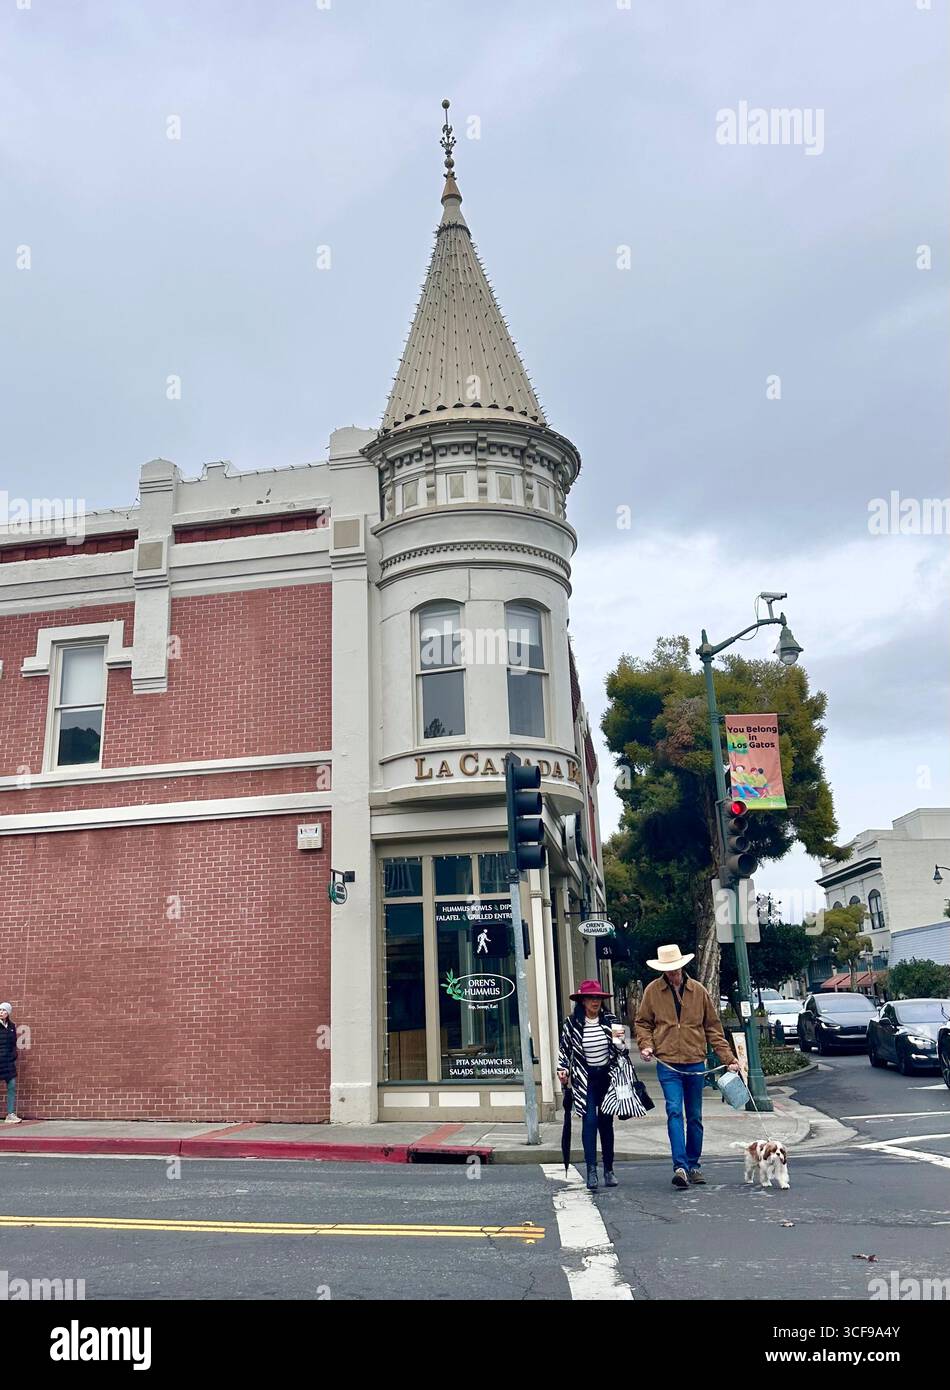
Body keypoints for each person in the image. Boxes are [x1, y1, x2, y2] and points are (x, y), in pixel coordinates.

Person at [635, 945, 739, 1190]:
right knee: (674, 1111)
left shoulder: (698, 991)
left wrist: (728, 1058)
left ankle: (693, 1165)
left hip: (694, 1061)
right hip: (667, 1062)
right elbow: (642, 1023)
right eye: (668, 970)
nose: (672, 974)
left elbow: (713, 1028)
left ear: (682, 966)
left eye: (675, 969)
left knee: (694, 1116)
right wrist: (646, 1045)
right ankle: (680, 1166)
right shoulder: (652, 991)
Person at [557, 980, 627, 1191]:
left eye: (598, 998)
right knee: (590, 1122)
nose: (595, 1002)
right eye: (590, 998)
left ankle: (609, 1169)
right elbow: (564, 1051)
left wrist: (620, 1040)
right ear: (583, 1001)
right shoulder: (572, 1024)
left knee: (606, 1124)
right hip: (584, 1079)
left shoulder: (611, 1021)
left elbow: (622, 1049)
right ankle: (591, 1170)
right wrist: (562, 1070)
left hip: (606, 1076)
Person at [0, 1003, 21, 1124]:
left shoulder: (12, 1026)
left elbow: (14, 1043)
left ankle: (10, 1114)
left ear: (8, 1012)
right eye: (0, 1010)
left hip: (8, 1062)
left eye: (4, 1010)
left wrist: (14, 1055)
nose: (1, 1012)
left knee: (12, 1085)